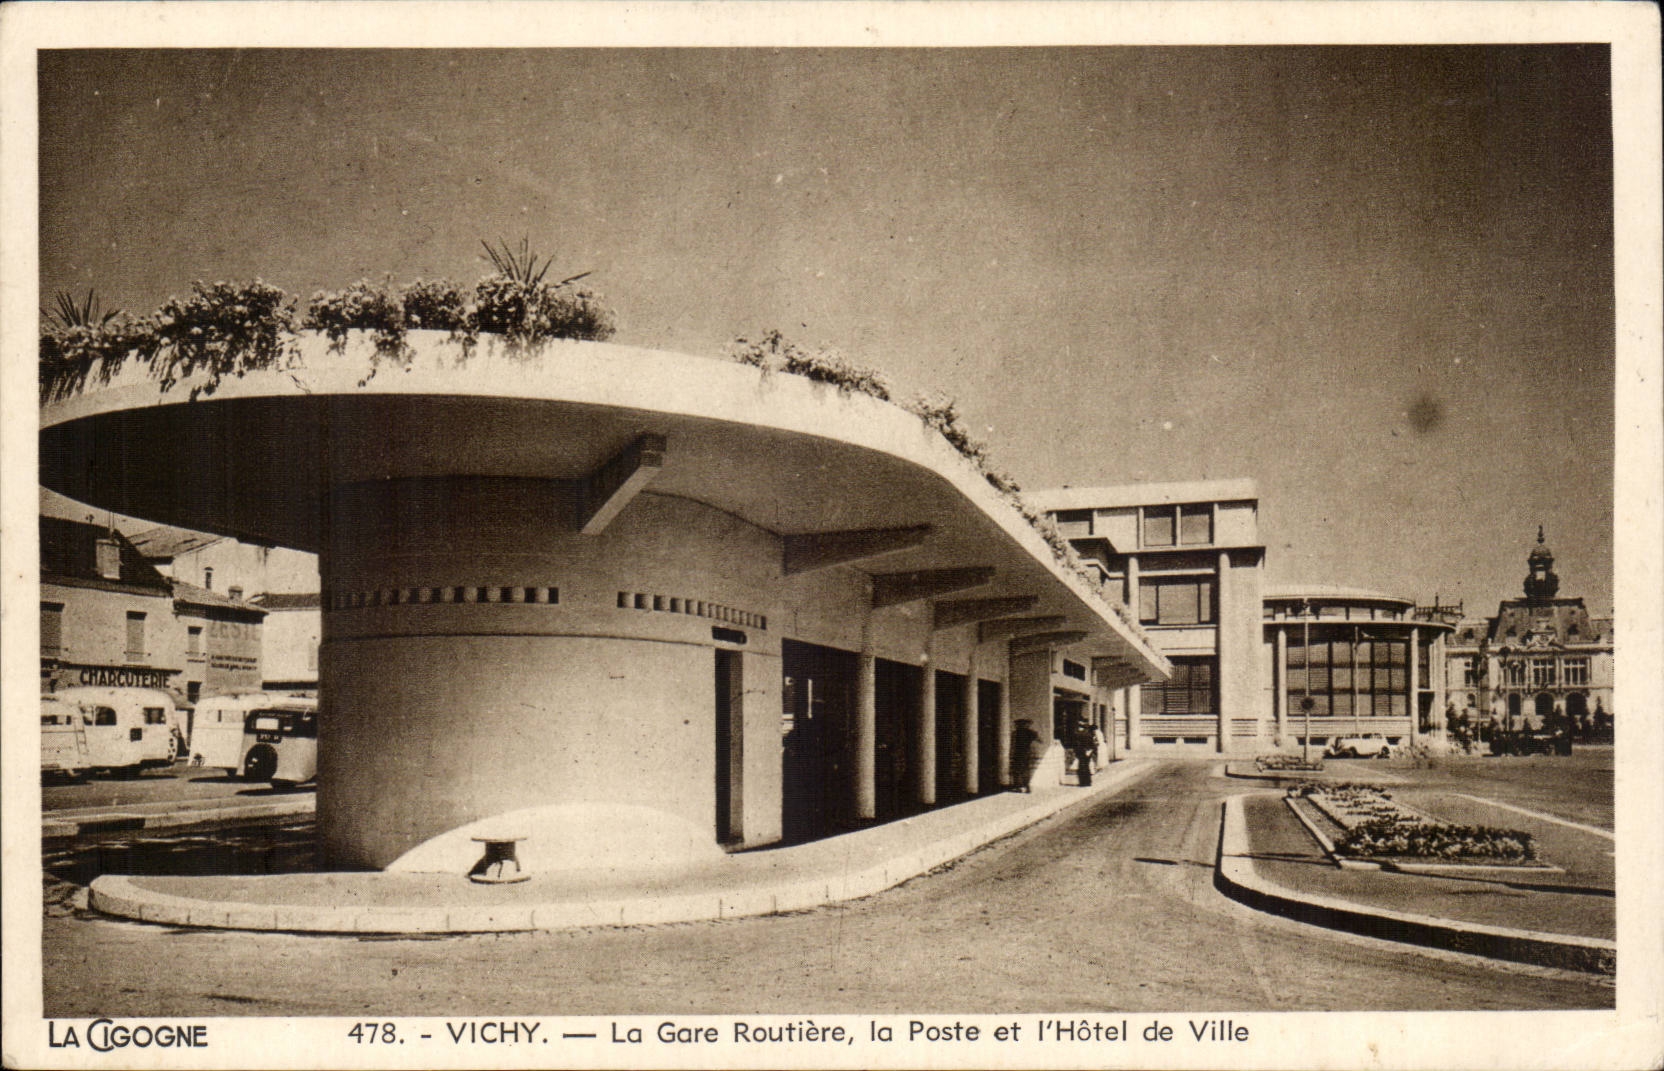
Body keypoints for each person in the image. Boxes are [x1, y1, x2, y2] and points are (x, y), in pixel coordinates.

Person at [1010, 719, 1040, 793]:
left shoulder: (1015, 733)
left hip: (1017, 753)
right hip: (1027, 753)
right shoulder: (1031, 733)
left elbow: (1012, 744)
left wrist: (1010, 754)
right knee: (1026, 770)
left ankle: (1018, 787)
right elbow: (1040, 740)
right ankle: (1027, 787)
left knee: (1016, 771)